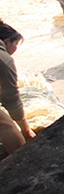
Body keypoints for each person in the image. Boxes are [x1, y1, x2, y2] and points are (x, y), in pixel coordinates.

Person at [0, 20, 36, 155]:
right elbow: (11, 98)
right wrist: (25, 128)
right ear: (7, 41)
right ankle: (21, 158)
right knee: (5, 124)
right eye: (16, 44)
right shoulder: (3, 59)